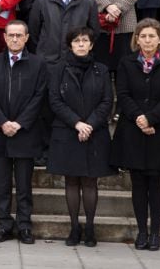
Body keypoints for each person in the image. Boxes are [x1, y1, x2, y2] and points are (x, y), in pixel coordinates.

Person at [110, 19, 160, 251]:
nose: (148, 40)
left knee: (156, 183)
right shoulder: (126, 63)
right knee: (138, 183)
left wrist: (151, 119)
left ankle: (155, 233)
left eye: (152, 36)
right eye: (143, 36)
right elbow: (122, 94)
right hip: (133, 129)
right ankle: (142, 231)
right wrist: (139, 118)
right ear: (137, 39)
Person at [47, 26, 115, 247]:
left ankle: (91, 228)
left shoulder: (101, 70)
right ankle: (74, 227)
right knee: (71, 180)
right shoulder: (59, 69)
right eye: (76, 41)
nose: (81, 44)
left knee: (90, 181)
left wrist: (90, 124)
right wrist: (76, 123)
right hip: (67, 131)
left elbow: (107, 101)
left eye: (85, 40)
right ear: (70, 45)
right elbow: (55, 100)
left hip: (94, 133)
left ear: (91, 44)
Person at [0, 20, 47, 245]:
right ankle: (4, 224)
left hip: (25, 134)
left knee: (24, 186)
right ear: (4, 37)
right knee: (1, 186)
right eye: (10, 35)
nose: (14, 39)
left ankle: (24, 226)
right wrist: (2, 122)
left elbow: (39, 97)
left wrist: (19, 124)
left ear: (27, 38)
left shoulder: (38, 64)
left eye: (19, 35)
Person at [29, 0, 99, 64]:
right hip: (48, 62)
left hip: (77, 62)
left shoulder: (88, 3)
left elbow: (94, 33)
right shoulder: (42, 1)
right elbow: (33, 32)